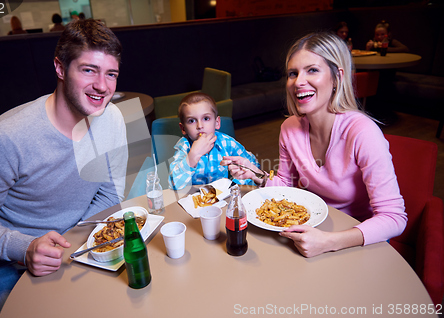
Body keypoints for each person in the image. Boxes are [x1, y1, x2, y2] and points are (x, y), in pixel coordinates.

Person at [0, 19, 128, 317]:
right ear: (59, 68)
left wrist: (74, 244)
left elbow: (110, 192)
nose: (102, 86)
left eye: (111, 74)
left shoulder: (113, 118)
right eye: (88, 70)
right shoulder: (4, 138)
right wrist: (24, 247)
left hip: (78, 246)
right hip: (10, 263)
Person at [226, 32, 407, 258]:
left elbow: (394, 217)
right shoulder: (289, 128)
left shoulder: (363, 132)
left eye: (312, 70)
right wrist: (256, 174)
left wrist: (328, 242)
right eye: (293, 73)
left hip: (357, 238)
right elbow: (285, 185)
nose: (299, 82)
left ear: (337, 77)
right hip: (313, 231)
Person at [168, 92, 260, 190]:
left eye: (206, 118)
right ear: (183, 128)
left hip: (224, 197)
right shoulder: (184, 147)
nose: (199, 126)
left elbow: (252, 166)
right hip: (195, 199)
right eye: (191, 121)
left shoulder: (228, 143)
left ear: (217, 123)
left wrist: (236, 183)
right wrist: (193, 156)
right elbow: (174, 184)